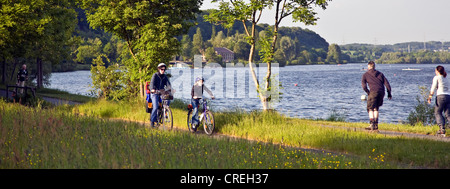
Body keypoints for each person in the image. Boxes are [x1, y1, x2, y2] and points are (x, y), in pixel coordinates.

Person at [361, 61, 392, 131]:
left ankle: (372, 124)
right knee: (376, 108)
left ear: (368, 67)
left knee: (370, 108)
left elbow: (364, 86)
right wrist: (389, 93)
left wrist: (368, 92)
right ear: (374, 67)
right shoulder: (380, 74)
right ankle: (376, 124)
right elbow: (387, 84)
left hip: (373, 92)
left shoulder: (365, 75)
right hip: (381, 92)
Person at [427, 65, 449, 136]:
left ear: (437, 71)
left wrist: (430, 97)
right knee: (448, 114)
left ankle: (442, 129)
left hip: (440, 96)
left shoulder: (436, 78)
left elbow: (433, 88)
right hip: (448, 96)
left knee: (438, 112)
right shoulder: (447, 77)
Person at [149, 63, 171, 128]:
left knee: (168, 100)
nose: (163, 71)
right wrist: (152, 89)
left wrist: (170, 89)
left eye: (164, 69)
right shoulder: (155, 75)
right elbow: (151, 84)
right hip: (154, 92)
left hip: (161, 92)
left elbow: (168, 84)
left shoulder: (165, 76)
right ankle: (152, 121)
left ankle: (165, 111)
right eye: (162, 69)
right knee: (155, 107)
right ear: (159, 69)